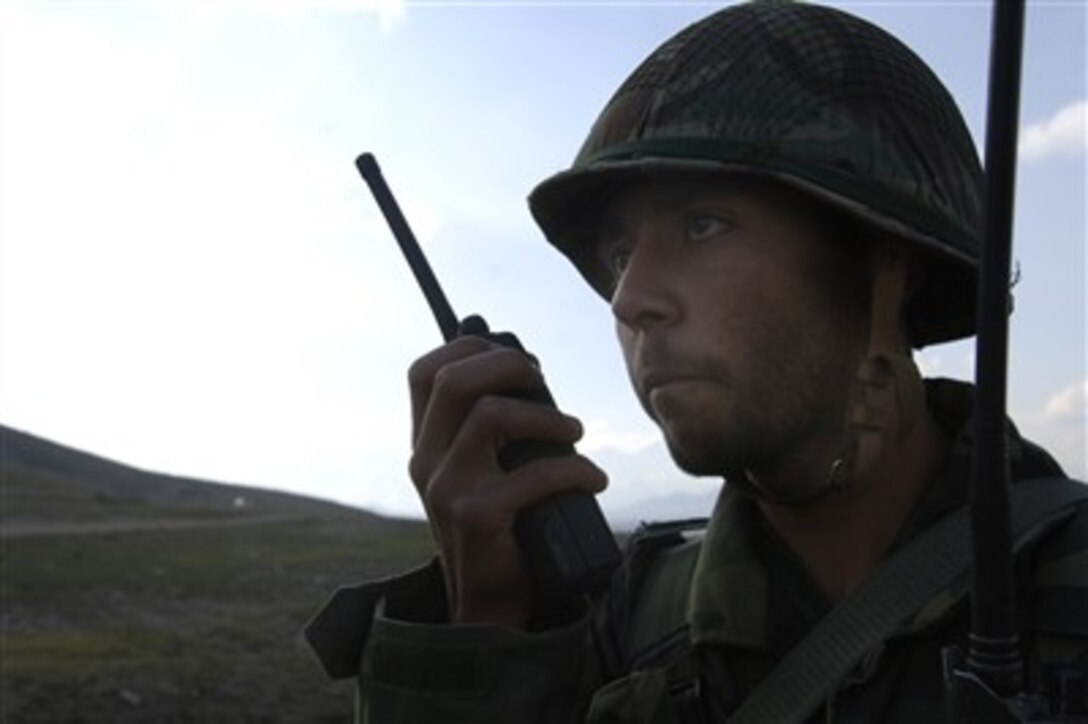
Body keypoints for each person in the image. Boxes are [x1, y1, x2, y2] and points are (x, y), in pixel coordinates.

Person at [307, 2, 1088, 721]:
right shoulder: (624, 628)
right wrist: (482, 632)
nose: (629, 298)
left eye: (704, 224)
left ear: (887, 268)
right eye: (620, 253)